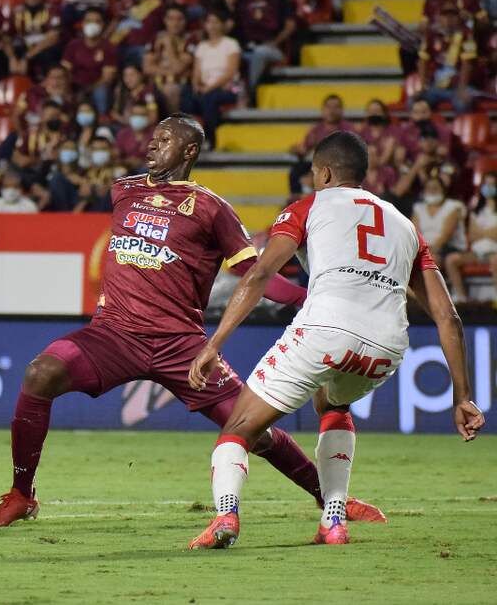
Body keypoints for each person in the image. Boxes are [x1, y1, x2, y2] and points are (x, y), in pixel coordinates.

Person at [0, 114, 386, 528]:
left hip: (181, 345)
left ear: (190, 150)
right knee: (40, 374)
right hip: (113, 334)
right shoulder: (124, 190)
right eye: (153, 138)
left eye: (165, 139)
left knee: (253, 429)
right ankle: (21, 495)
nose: (152, 145)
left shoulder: (212, 209)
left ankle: (330, 498)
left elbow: (255, 272)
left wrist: (307, 297)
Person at [186, 131, 484, 549]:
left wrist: (214, 342)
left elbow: (258, 275)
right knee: (335, 403)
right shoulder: (404, 225)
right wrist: (462, 396)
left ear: (323, 172)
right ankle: (333, 521)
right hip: (386, 344)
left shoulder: (308, 206)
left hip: (326, 328)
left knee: (238, 428)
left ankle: (226, 517)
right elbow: (447, 317)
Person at [187, 11, 242, 146]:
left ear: (223, 24)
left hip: (228, 87)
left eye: (216, 22)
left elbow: (231, 72)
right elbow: (196, 73)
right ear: (205, 25)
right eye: (209, 22)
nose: (212, 26)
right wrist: (197, 86)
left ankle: (210, 138)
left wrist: (209, 88)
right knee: (187, 97)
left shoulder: (231, 44)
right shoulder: (202, 46)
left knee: (210, 98)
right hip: (206, 87)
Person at [444, 173, 497, 304]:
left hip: (494, 252)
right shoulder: (476, 210)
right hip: (476, 252)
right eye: (486, 184)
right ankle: (462, 298)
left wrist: (481, 232)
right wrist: (489, 232)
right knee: (451, 260)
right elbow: (472, 235)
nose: (488, 187)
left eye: (492, 184)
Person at [235, 0, 295, 96]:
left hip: (273, 48)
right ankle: (236, 94)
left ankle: (250, 93)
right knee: (234, 53)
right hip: (248, 47)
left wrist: (275, 42)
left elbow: (290, 26)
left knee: (260, 52)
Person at [61, 8, 119, 115]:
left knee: (101, 91)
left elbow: (107, 77)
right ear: (82, 24)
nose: (92, 24)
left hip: (96, 87)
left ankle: (103, 119)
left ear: (103, 25)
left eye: (97, 21)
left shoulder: (108, 47)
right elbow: (65, 70)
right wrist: (69, 88)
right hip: (75, 86)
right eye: (88, 21)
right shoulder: (73, 45)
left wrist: (87, 90)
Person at [142, 5, 195, 115]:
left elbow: (178, 68)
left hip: (181, 85)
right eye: (171, 19)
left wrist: (169, 45)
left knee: (171, 89)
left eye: (179, 19)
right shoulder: (156, 38)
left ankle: (173, 125)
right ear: (165, 20)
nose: (175, 23)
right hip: (156, 83)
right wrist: (169, 71)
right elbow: (147, 68)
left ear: (185, 21)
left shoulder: (190, 39)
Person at [412, 176, 467, 267]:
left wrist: (426, 252)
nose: (432, 191)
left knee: (431, 259)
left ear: (443, 190)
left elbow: (446, 235)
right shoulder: (419, 208)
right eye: (428, 188)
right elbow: (414, 233)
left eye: (435, 188)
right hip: (424, 249)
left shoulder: (453, 207)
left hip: (447, 248)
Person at [115, 102, 155, 172]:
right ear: (130, 116)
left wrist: (141, 163)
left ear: (148, 117)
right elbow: (116, 156)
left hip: (147, 171)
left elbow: (159, 160)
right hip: (126, 169)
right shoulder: (123, 134)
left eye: (142, 115)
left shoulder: (154, 134)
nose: (138, 117)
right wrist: (127, 161)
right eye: (135, 114)